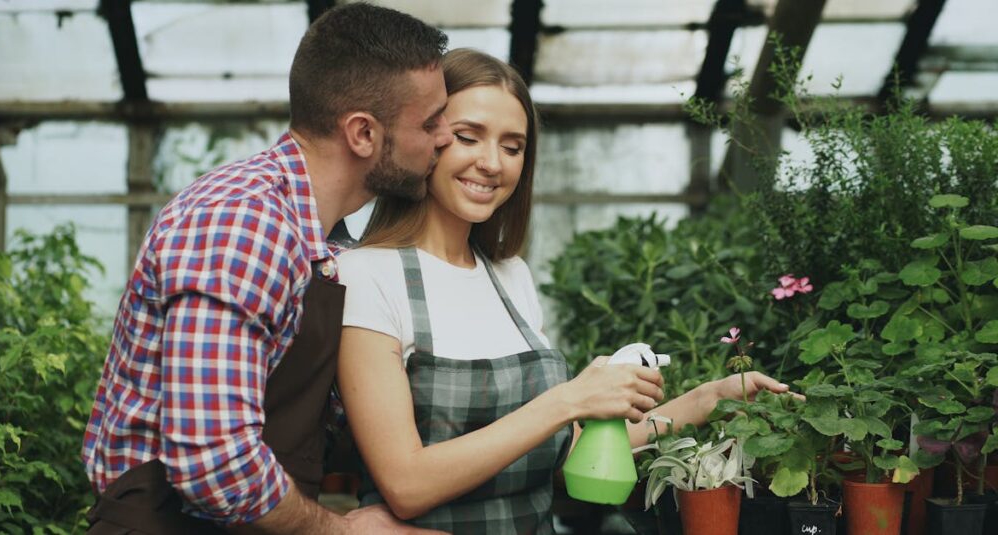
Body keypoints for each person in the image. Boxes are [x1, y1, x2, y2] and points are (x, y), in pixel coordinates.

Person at [336, 48, 795, 533]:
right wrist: (570, 399)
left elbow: (561, 450)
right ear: (426, 140)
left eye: (513, 147)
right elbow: (406, 485)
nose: (492, 163)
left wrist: (709, 399)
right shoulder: (366, 275)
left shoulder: (512, 277)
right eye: (468, 137)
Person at [81, 4, 455, 533]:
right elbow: (212, 461)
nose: (445, 137)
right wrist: (341, 529)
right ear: (363, 134)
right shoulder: (243, 224)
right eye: (430, 121)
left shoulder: (323, 239)